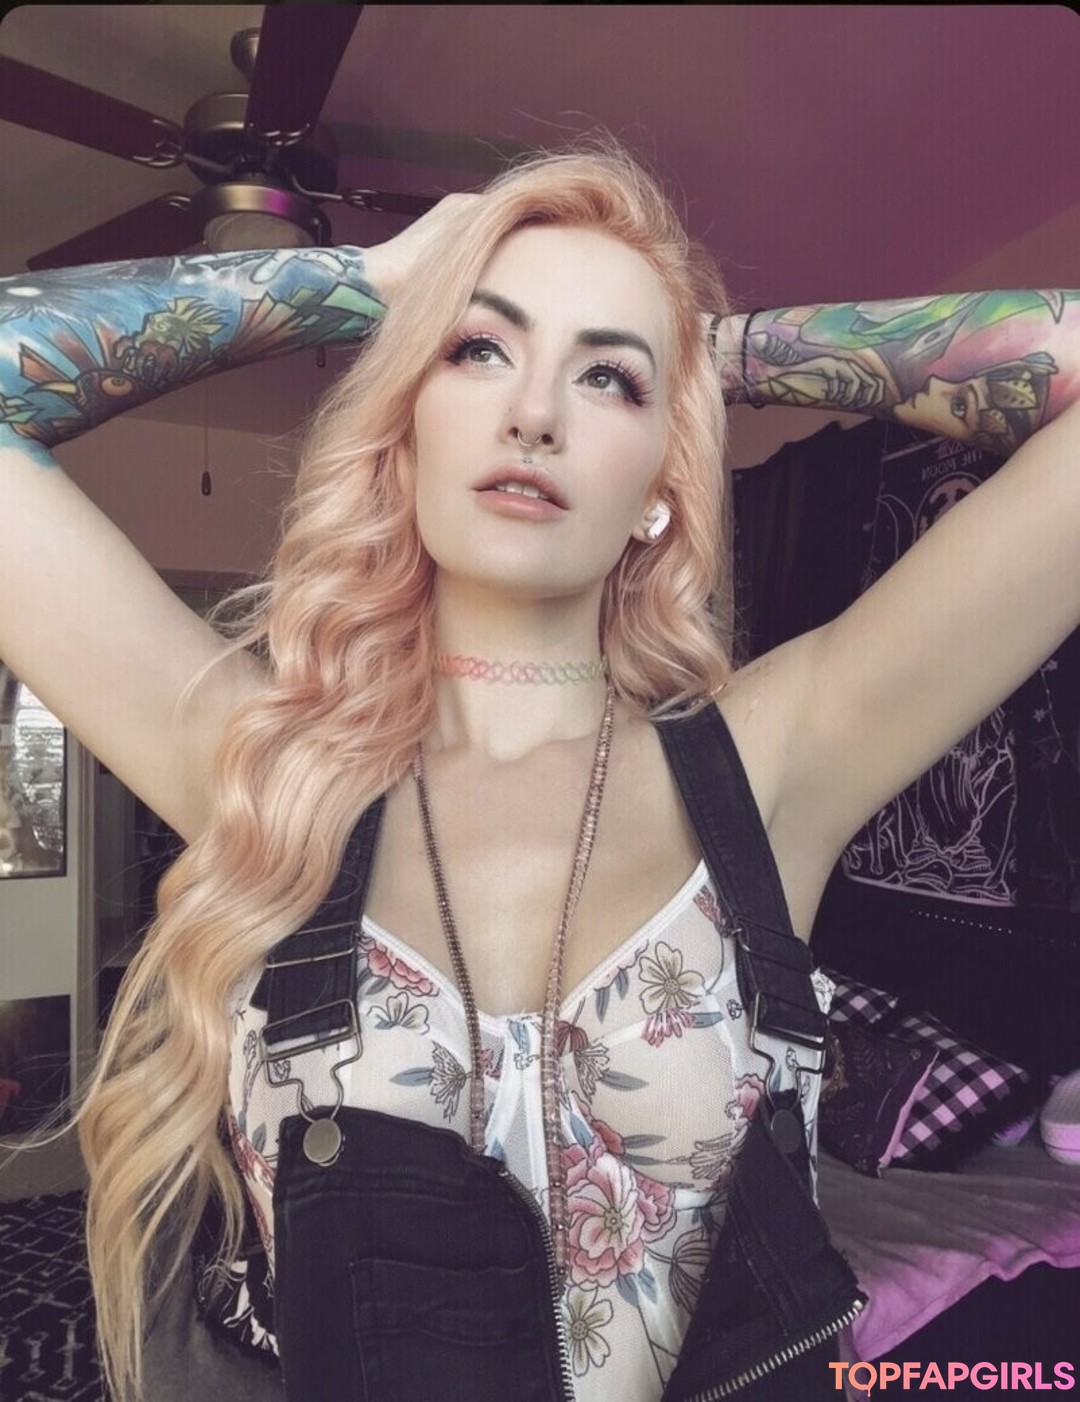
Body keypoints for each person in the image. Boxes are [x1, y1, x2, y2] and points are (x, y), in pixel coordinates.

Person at [0, 134, 1077, 1402]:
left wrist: (714, 355)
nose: (536, 412)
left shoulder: (776, 758)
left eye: (609, 378)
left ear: (662, 480)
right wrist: (366, 283)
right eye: (477, 348)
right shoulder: (260, 761)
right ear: (404, 436)